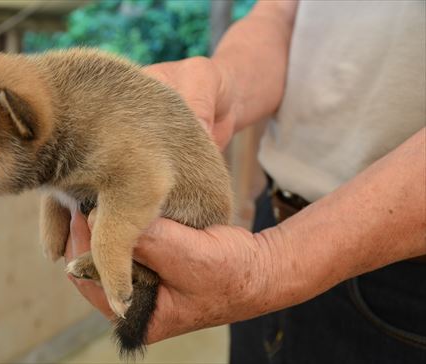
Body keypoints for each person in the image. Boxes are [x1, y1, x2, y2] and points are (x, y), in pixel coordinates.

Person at [64, 1, 426, 362]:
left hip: (402, 288)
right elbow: (280, 15)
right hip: (274, 221)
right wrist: (224, 84)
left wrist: (274, 265)